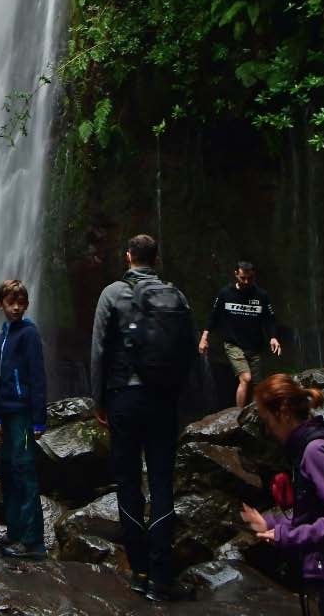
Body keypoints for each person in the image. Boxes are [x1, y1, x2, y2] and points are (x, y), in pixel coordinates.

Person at [90, 233, 196, 603]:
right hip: (163, 400)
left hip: (124, 397)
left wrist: (98, 399)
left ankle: (139, 572)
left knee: (128, 482)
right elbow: (188, 351)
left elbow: (99, 349)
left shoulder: (112, 293)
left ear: (128, 256)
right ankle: (163, 575)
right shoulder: (176, 296)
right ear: (157, 258)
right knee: (163, 481)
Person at [241, 373, 324, 616]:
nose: (268, 430)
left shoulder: (316, 451)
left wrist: (286, 535)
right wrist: (271, 523)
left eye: (267, 421)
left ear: (283, 412)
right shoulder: (306, 449)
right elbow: (314, 514)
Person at [0, 278, 48, 560]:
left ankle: (33, 541)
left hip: (24, 412)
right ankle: (13, 531)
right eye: (11, 303)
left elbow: (38, 377)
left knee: (25, 472)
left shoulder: (29, 334)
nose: (16, 308)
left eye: (21, 303)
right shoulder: (1, 337)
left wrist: (39, 419)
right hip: (6, 413)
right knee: (8, 471)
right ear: (0, 304)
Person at [198, 260, 281, 408]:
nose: (246, 281)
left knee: (258, 386)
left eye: (250, 278)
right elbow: (214, 316)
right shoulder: (225, 293)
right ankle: (238, 416)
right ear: (236, 274)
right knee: (246, 378)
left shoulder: (261, 295)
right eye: (243, 278)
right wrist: (204, 337)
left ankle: (256, 418)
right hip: (233, 344)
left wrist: (273, 337)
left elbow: (270, 319)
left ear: (253, 275)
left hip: (254, 346)